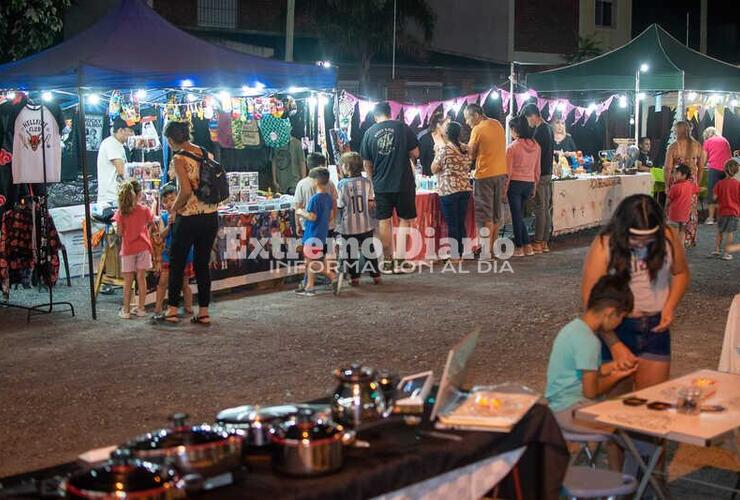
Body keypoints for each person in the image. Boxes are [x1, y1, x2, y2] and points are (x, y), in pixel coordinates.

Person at [582, 194, 690, 390]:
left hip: (655, 329)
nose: (642, 244)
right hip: (615, 329)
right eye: (636, 238)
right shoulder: (604, 244)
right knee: (612, 409)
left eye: (649, 239)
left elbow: (681, 273)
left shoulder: (668, 236)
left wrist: (669, 306)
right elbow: (591, 300)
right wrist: (614, 344)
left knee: (651, 404)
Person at [546, 275, 638, 469]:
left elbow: (580, 372)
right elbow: (591, 391)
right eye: (621, 318)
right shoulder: (589, 341)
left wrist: (610, 367)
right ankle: (626, 480)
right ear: (610, 313)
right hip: (570, 412)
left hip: (557, 407)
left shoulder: (573, 329)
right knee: (628, 424)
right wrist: (617, 376)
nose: (620, 324)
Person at [154, 121, 219, 326]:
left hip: (189, 217)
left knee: (177, 263)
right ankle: (204, 311)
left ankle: (172, 309)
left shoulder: (179, 158)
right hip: (210, 215)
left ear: (171, 139)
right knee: (202, 264)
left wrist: (173, 210)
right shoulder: (205, 152)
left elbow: (185, 191)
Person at [360, 102, 420, 273]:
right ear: (390, 112)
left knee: (384, 221)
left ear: (374, 115)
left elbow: (366, 163)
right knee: (404, 219)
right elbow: (416, 153)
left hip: (381, 184)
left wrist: (373, 181)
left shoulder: (369, 133)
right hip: (404, 182)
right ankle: (400, 261)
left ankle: (387, 261)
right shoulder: (402, 127)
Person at [463, 103, 506, 259]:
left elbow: (471, 153)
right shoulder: (497, 124)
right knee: (496, 214)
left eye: (467, 119)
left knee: (484, 214)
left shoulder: (478, 129)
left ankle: (485, 250)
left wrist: (463, 147)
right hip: (501, 173)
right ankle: (493, 249)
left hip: (485, 175)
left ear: (476, 115)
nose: (467, 123)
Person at [336, 152, 380, 286]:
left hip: (349, 226)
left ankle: (354, 278)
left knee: (351, 252)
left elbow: (340, 205)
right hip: (366, 223)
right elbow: (371, 202)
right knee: (369, 250)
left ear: (347, 167)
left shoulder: (342, 184)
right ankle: (376, 275)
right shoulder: (366, 182)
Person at [431, 121, 472, 260]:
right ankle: (465, 252)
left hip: (449, 189)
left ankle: (455, 255)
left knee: (453, 224)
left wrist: (436, 152)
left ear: (447, 134)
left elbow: (434, 169)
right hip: (464, 188)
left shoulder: (444, 149)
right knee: (461, 222)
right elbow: (467, 166)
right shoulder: (466, 148)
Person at [113, 179, 154, 320]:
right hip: (143, 247)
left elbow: (119, 232)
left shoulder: (121, 212)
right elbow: (151, 223)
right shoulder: (144, 210)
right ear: (138, 194)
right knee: (141, 279)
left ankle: (126, 310)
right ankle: (141, 308)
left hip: (128, 248)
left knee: (128, 281)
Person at [295, 167, 337, 296]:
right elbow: (331, 216)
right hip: (322, 233)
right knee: (311, 261)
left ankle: (331, 277)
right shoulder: (328, 198)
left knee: (311, 261)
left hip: (312, 233)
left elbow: (312, 217)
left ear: (315, 182)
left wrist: (300, 211)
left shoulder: (314, 199)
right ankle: (309, 285)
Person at [154, 183, 194, 315]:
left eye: (172, 199)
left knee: (184, 283)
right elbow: (161, 236)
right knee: (163, 282)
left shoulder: (185, 214)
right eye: (166, 201)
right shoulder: (164, 218)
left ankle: (188, 306)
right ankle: (158, 308)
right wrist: (170, 225)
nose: (169, 203)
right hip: (168, 254)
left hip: (184, 253)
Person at [665, 121, 705, 248]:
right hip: (691, 183)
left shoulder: (673, 147)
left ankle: (673, 240)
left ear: (678, 131)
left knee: (674, 208)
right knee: (690, 210)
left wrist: (667, 184)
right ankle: (687, 238)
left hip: (677, 181)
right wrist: (697, 182)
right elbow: (701, 167)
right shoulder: (697, 146)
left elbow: (667, 168)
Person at [505, 116, 541, 257]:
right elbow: (537, 170)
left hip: (514, 184)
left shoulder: (512, 148)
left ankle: (519, 247)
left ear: (515, 129)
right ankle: (528, 246)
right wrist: (534, 186)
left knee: (516, 216)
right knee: (519, 215)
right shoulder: (536, 146)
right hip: (529, 183)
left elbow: (508, 172)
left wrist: (504, 189)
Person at [522, 103, 555, 254]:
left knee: (540, 208)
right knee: (546, 208)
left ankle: (539, 241)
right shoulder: (549, 128)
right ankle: (545, 241)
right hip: (548, 172)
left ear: (533, 116)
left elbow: (534, 156)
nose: (528, 123)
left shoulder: (540, 132)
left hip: (540, 174)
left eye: (528, 119)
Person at [294, 153, 338, 258]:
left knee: (311, 257)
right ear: (321, 166)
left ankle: (319, 273)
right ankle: (330, 272)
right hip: (327, 226)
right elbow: (334, 203)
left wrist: (297, 225)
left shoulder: (301, 184)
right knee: (328, 254)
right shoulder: (330, 183)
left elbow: (298, 206)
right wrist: (333, 221)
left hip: (309, 228)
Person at [96, 118, 134, 209]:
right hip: (110, 199)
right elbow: (121, 171)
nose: (132, 134)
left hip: (114, 197)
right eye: (130, 131)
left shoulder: (117, 144)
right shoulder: (112, 144)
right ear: (121, 130)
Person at [702, 127, 732, 225]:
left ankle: (711, 218)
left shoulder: (708, 141)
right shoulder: (725, 140)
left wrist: (702, 166)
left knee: (712, 193)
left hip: (715, 168)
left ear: (707, 135)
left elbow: (704, 159)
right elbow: (729, 156)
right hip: (727, 170)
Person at [711, 159, 740, 260]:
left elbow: (714, 197)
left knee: (719, 231)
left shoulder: (719, 184)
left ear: (724, 170)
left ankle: (717, 250)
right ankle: (727, 253)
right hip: (734, 212)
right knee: (730, 232)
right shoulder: (738, 184)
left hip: (722, 211)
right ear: (736, 171)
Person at [666, 164, 700, 245]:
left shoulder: (674, 187)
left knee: (673, 233)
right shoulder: (690, 185)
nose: (673, 175)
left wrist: (665, 209)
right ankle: (681, 248)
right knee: (682, 231)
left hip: (674, 215)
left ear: (684, 175)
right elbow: (697, 190)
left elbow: (669, 200)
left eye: (676, 173)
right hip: (685, 215)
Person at [417, 110, 449, 176]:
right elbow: (422, 160)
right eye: (447, 124)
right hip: (430, 176)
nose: (448, 128)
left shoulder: (448, 138)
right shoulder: (425, 139)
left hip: (446, 175)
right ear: (438, 125)